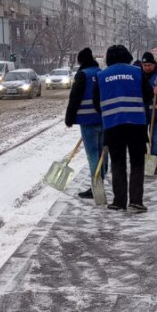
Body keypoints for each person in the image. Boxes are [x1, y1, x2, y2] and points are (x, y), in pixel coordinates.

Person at [93, 45, 153, 212]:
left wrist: (108, 113)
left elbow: (96, 103)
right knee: (137, 162)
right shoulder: (137, 72)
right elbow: (148, 95)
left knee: (117, 163)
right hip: (136, 124)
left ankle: (119, 202)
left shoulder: (101, 76)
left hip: (113, 126)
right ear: (127, 56)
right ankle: (136, 201)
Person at [65, 47, 105, 199]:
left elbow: (74, 97)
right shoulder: (101, 73)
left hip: (87, 120)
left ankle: (95, 187)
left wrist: (69, 118)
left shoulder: (82, 75)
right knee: (101, 153)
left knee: (93, 154)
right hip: (102, 119)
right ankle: (100, 182)